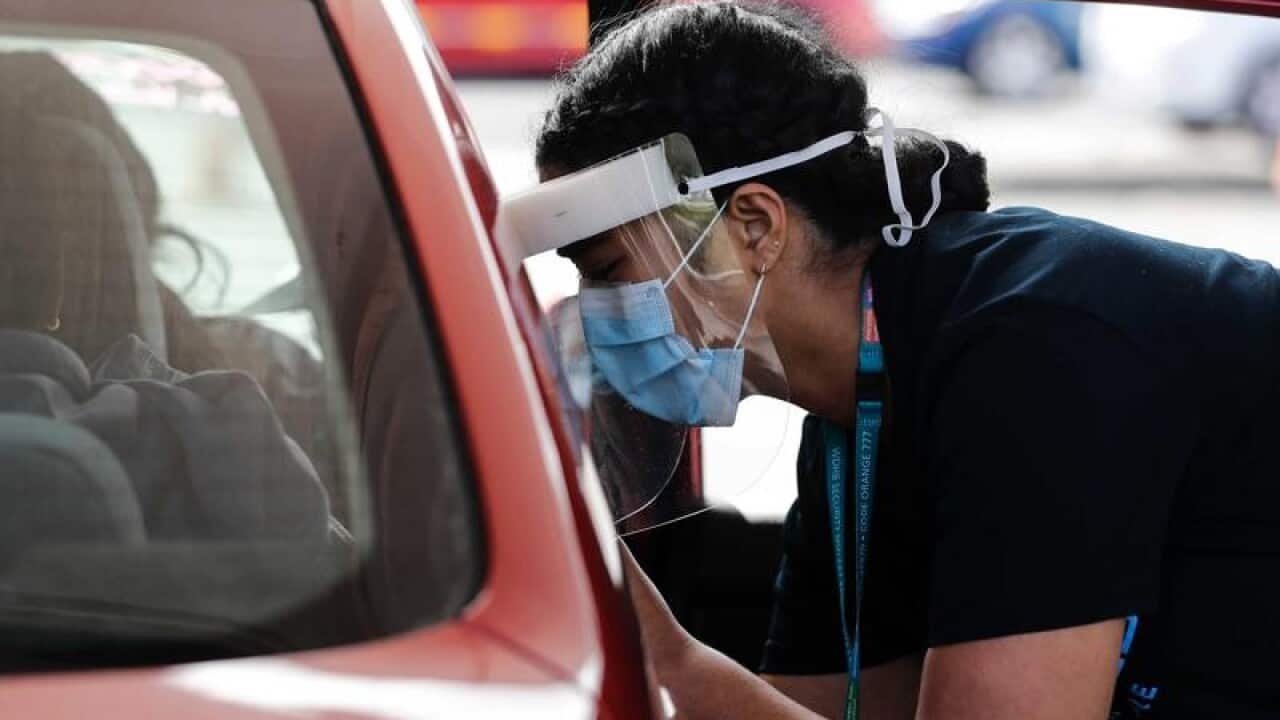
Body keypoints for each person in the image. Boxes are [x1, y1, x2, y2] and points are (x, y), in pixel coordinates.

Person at [500, 2, 1280, 718]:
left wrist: (667, 658)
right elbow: (832, 708)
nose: (597, 312)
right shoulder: (852, 422)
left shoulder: (1035, 348)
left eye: (606, 271)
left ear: (755, 226)